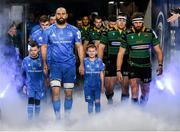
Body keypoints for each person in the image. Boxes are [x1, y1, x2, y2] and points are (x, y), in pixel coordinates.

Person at [41, 7, 84, 120]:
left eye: (63, 14)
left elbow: (79, 47)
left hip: (69, 66)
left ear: (66, 15)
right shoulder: (48, 31)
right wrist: (44, 63)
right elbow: (44, 47)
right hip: (55, 65)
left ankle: (67, 118)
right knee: (55, 92)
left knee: (68, 94)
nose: (60, 16)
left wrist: (81, 64)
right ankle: (58, 119)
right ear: (55, 16)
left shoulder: (74, 30)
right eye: (58, 14)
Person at [117, 12, 163, 105]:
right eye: (135, 22)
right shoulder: (127, 34)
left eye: (140, 22)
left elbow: (158, 50)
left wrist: (160, 65)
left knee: (145, 90)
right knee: (134, 88)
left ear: (143, 22)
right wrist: (118, 70)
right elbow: (120, 53)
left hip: (146, 66)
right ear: (132, 23)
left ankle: (142, 108)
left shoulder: (150, 32)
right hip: (133, 65)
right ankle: (135, 113)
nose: (138, 24)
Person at [99, 13, 129, 104]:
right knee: (108, 87)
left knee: (125, 86)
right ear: (116, 21)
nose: (121, 22)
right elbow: (101, 47)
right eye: (119, 20)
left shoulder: (130, 32)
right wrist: (99, 63)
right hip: (111, 60)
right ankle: (110, 101)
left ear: (126, 22)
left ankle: (125, 108)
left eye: (123, 20)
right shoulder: (107, 32)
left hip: (125, 60)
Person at [21, 41, 45, 120]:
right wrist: (24, 85)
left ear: (38, 50)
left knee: (37, 102)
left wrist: (47, 80)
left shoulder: (42, 60)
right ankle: (30, 120)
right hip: (30, 85)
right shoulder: (25, 60)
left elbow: (46, 72)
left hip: (39, 85)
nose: (33, 52)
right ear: (29, 50)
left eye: (34, 50)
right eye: (31, 50)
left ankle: (37, 120)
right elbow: (23, 74)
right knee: (30, 100)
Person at [84, 44, 104, 114]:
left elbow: (101, 74)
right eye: (90, 51)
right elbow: (81, 72)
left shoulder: (99, 61)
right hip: (88, 86)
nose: (92, 53)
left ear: (96, 52)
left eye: (93, 51)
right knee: (90, 103)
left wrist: (102, 86)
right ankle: (90, 119)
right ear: (87, 52)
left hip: (97, 86)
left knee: (97, 102)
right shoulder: (84, 61)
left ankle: (97, 119)